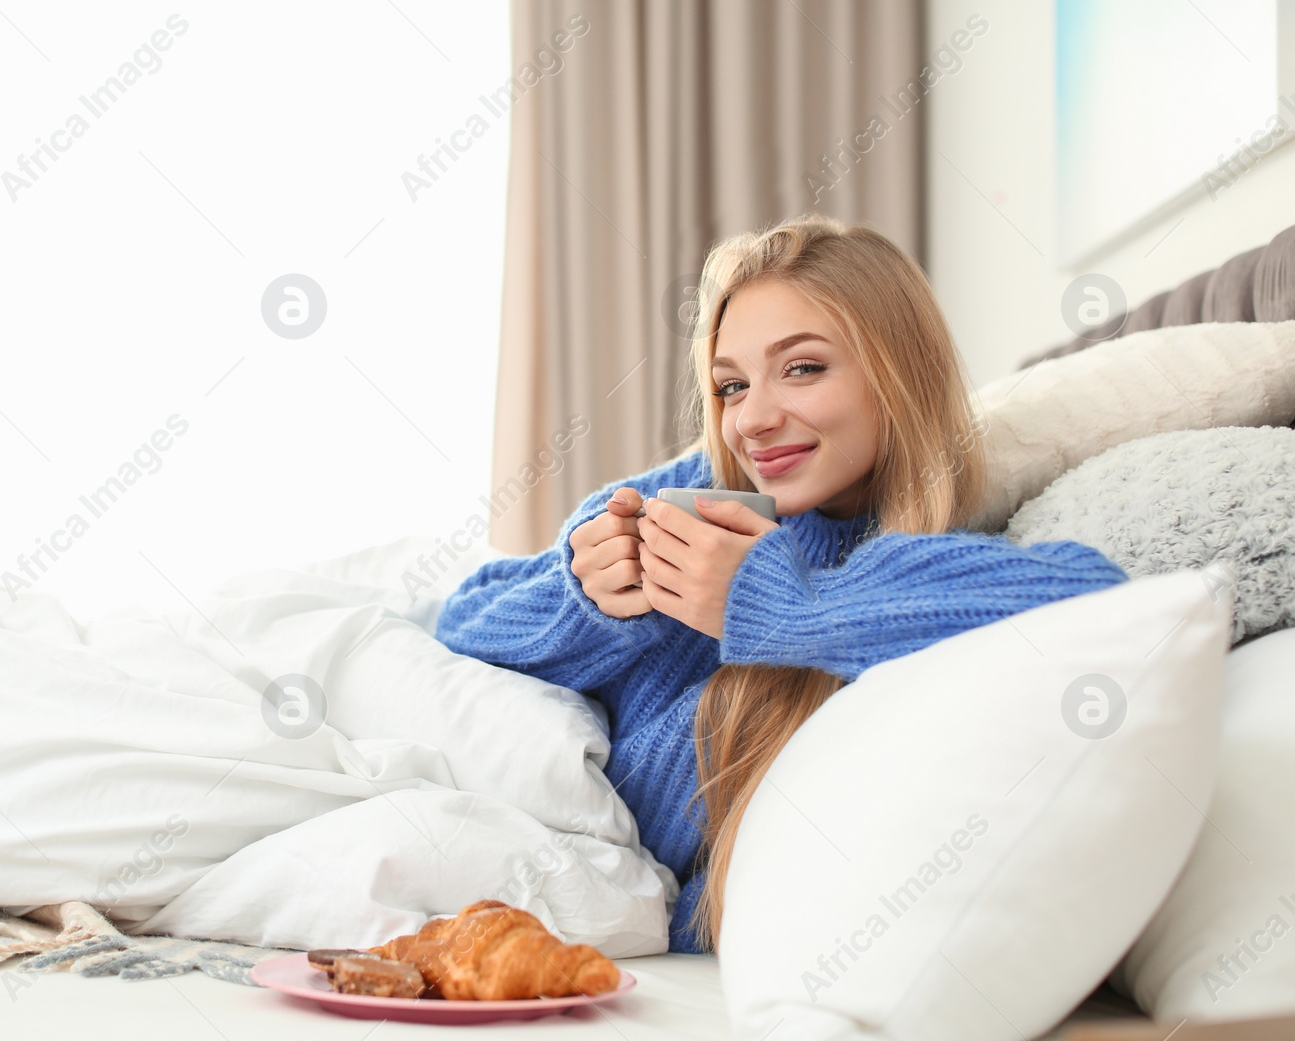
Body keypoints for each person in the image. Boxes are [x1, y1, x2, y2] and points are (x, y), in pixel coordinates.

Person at [432, 212, 1130, 953]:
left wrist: (786, 606)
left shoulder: (923, 568)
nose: (753, 420)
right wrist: (586, 603)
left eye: (802, 367)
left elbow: (1104, 599)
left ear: (899, 373)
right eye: (731, 385)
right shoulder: (697, 495)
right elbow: (458, 626)